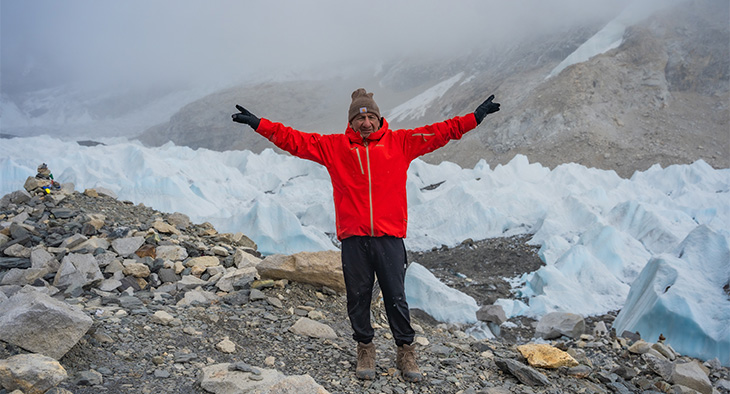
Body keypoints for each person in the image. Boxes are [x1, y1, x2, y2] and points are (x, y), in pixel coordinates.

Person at [232, 88, 500, 382]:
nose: (366, 123)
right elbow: (294, 139)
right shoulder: (334, 147)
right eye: (360, 118)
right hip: (354, 238)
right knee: (358, 298)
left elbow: (439, 132)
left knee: (396, 298)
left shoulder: (400, 142)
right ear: (351, 122)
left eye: (371, 116)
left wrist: (474, 118)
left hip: (389, 237)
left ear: (379, 118)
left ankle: (405, 350)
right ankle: (365, 347)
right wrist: (259, 124)